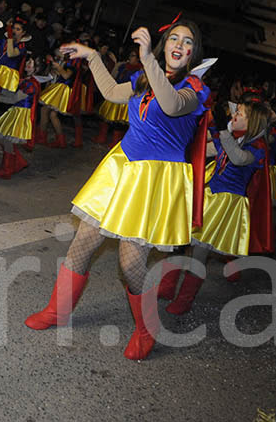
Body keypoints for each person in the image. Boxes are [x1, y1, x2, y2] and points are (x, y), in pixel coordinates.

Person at [24, 20, 211, 361]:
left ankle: (146, 328)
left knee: (130, 262)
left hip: (153, 180)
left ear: (192, 52)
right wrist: (93, 56)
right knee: (83, 241)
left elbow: (170, 105)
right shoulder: (144, 79)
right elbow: (111, 92)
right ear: (165, 42)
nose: (179, 45)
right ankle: (57, 311)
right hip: (121, 168)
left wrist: (148, 60)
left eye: (187, 41)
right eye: (173, 38)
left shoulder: (194, 89)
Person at [159, 99, 270, 315]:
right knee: (179, 242)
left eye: (241, 113)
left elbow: (237, 158)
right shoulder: (230, 137)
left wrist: (222, 130)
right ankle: (166, 286)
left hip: (224, 206)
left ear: (253, 122)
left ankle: (184, 300)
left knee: (199, 254)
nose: (235, 115)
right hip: (208, 197)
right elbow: (199, 150)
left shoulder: (258, 149)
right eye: (235, 111)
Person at [0, 56, 39, 179]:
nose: (28, 64)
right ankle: (16, 162)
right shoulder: (25, 80)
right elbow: (11, 93)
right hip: (16, 111)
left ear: (38, 68)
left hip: (21, 114)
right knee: (3, 137)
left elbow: (14, 98)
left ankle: (8, 168)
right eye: (28, 61)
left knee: (6, 139)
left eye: (32, 63)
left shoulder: (31, 83)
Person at [34, 48, 86, 148]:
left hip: (64, 91)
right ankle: (59, 140)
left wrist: (57, 66)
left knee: (46, 111)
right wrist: (55, 66)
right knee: (52, 114)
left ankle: (44, 137)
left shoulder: (72, 63)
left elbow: (66, 76)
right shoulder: (69, 62)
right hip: (64, 90)